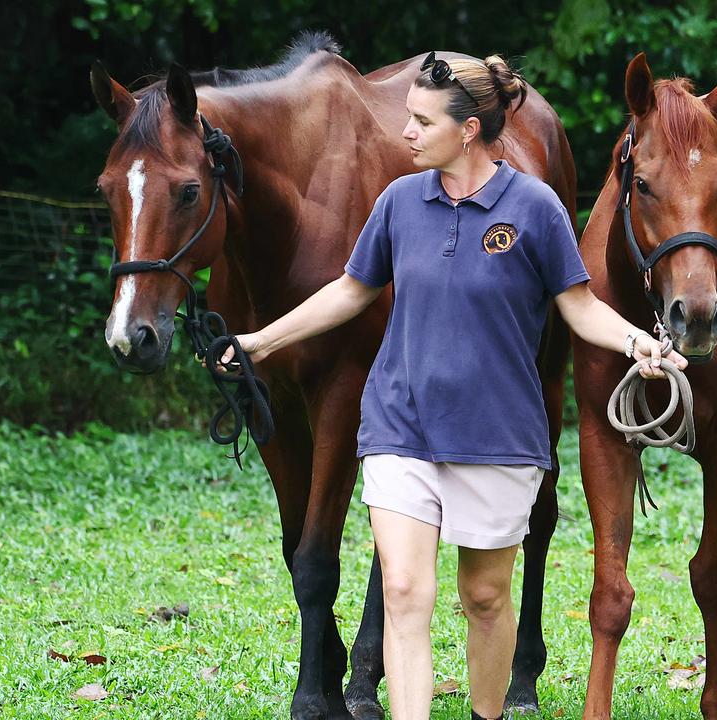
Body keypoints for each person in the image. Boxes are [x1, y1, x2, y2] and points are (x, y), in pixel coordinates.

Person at [221, 52, 686, 720]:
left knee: (485, 598)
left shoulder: (534, 208)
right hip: (399, 425)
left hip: (499, 435)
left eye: (420, 120)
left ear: (467, 130)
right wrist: (261, 341)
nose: (404, 132)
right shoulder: (398, 202)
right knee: (406, 591)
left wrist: (637, 340)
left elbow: (578, 306)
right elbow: (350, 291)